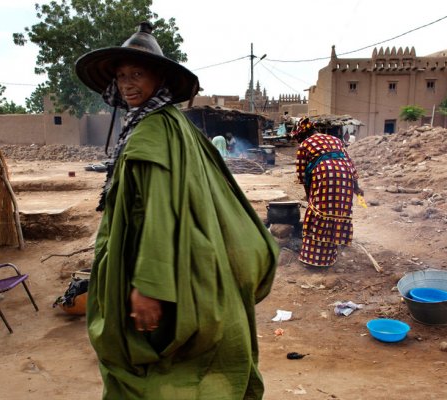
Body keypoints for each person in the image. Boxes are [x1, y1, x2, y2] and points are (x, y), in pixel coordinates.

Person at [75, 22, 278, 399]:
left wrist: (149, 288)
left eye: (137, 73)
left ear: (160, 78)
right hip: (186, 258)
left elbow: (159, 212)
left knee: (155, 369)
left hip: (162, 266)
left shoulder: (153, 131)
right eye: (121, 76)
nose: (127, 84)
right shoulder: (170, 123)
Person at [294, 118, 363, 268]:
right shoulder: (335, 140)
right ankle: (330, 257)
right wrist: (356, 188)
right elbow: (349, 162)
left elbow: (303, 176)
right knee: (336, 213)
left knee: (318, 215)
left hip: (326, 175)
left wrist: (310, 197)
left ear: (302, 134)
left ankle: (314, 261)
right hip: (346, 178)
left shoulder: (305, 144)